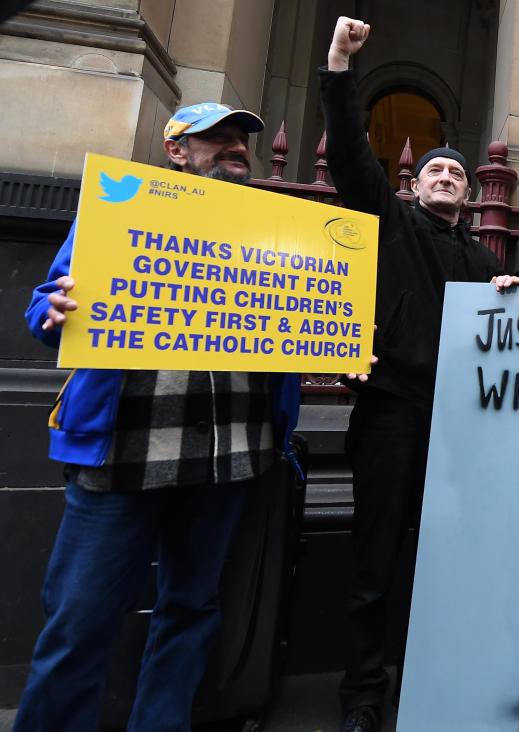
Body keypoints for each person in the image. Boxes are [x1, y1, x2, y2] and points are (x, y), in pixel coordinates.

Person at [14, 103, 305, 730]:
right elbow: (45, 304)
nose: (235, 147)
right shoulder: (123, 212)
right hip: (123, 454)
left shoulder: (275, 229)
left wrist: (330, 341)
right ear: (177, 150)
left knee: (191, 612)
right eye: (217, 138)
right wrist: (52, 313)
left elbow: (306, 316)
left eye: (241, 140)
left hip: (229, 456)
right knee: (81, 619)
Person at [319, 17, 519, 732]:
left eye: (457, 174)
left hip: (463, 433)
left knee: (450, 565)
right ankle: (362, 700)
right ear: (415, 185)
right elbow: (347, 153)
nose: (446, 177)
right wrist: (340, 69)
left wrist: (510, 298)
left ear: (470, 195)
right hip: (390, 417)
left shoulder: (482, 264)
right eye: (436, 169)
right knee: (374, 569)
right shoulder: (390, 223)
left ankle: (437, 686)